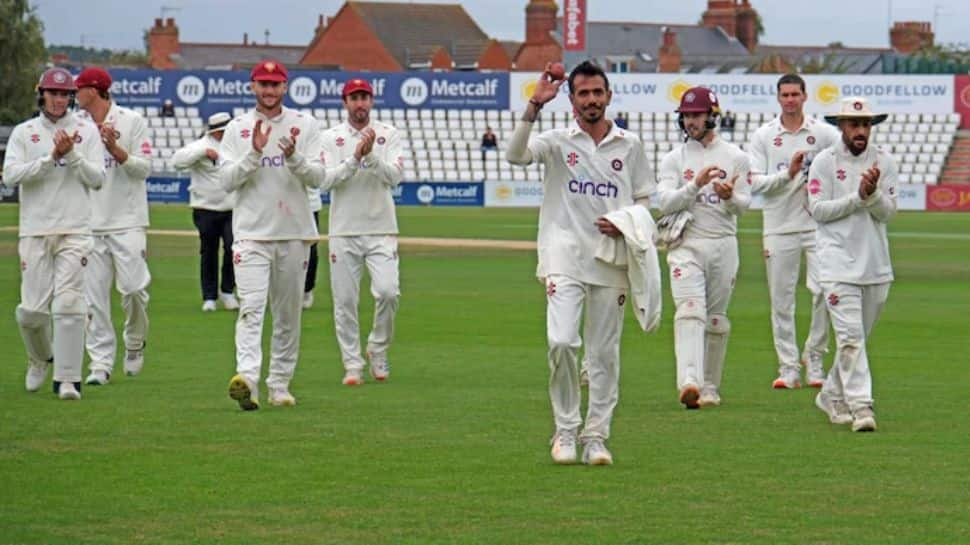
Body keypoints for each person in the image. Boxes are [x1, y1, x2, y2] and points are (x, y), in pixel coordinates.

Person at [507, 61, 656, 465]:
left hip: (610, 259)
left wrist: (626, 223)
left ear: (608, 96)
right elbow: (516, 154)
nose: (591, 100)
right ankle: (566, 429)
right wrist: (534, 105)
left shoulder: (630, 145)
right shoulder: (556, 141)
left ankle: (596, 436)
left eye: (597, 93)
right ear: (571, 100)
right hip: (563, 254)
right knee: (561, 341)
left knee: (604, 354)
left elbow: (645, 200)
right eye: (583, 94)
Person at [221, 60, 325, 410]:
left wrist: (294, 157)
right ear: (252, 87)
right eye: (263, 84)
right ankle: (247, 379)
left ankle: (279, 383)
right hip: (251, 234)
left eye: (275, 84)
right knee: (250, 308)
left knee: (287, 314)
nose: (269, 91)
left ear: (285, 87)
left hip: (294, 233)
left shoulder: (304, 125)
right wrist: (253, 153)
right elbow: (226, 181)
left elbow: (318, 178)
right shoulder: (237, 128)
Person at [3, 67, 104, 400]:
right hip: (35, 229)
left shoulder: (86, 131)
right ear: (41, 94)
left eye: (65, 94)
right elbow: (11, 177)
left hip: (75, 229)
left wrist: (71, 155)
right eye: (53, 93)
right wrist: (51, 158)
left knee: (71, 303)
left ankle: (68, 380)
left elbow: (97, 179)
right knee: (32, 312)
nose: (59, 100)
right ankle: (39, 357)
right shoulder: (25, 132)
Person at [657, 86, 751, 409]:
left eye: (696, 115)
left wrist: (729, 198)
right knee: (689, 310)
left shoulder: (736, 157)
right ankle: (689, 381)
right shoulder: (675, 158)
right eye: (685, 116)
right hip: (687, 244)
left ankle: (710, 387)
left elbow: (744, 205)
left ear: (712, 115)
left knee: (716, 320)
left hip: (723, 244)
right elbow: (665, 202)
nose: (690, 122)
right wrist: (694, 185)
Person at [808, 97, 897, 433]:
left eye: (866, 124)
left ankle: (831, 394)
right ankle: (862, 407)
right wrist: (858, 197)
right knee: (849, 338)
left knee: (856, 339)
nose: (861, 130)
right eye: (854, 124)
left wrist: (872, 195)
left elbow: (888, 212)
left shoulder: (883, 161)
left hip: (875, 264)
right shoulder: (825, 162)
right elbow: (817, 210)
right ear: (841, 126)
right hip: (836, 264)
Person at [749, 74, 840, 390]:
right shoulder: (764, 136)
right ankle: (788, 367)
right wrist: (787, 175)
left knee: (824, 291)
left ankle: (814, 358)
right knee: (781, 300)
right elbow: (755, 182)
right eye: (784, 94)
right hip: (778, 226)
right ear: (778, 98)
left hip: (817, 226)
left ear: (804, 96)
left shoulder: (824, 133)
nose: (790, 99)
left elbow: (839, 171)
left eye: (794, 94)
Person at [321, 78, 405, 386]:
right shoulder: (330, 138)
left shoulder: (388, 134)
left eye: (365, 97)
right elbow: (327, 180)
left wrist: (370, 156)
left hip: (381, 227)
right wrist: (355, 158)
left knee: (388, 292)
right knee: (345, 300)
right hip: (343, 229)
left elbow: (394, 177)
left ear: (371, 101)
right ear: (345, 102)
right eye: (354, 98)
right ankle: (352, 364)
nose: (360, 103)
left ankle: (378, 348)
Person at [75, 66, 154, 386]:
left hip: (127, 221)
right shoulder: (76, 126)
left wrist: (115, 151)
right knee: (93, 299)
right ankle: (100, 363)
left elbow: (144, 169)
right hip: (90, 224)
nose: (74, 95)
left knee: (135, 290)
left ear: (94, 90)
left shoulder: (131, 121)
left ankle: (134, 343)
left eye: (79, 89)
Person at [172, 111, 239, 312]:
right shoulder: (199, 146)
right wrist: (203, 153)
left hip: (232, 208)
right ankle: (209, 296)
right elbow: (177, 161)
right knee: (208, 251)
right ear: (215, 131)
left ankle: (227, 292)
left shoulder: (235, 146)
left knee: (233, 249)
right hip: (205, 209)